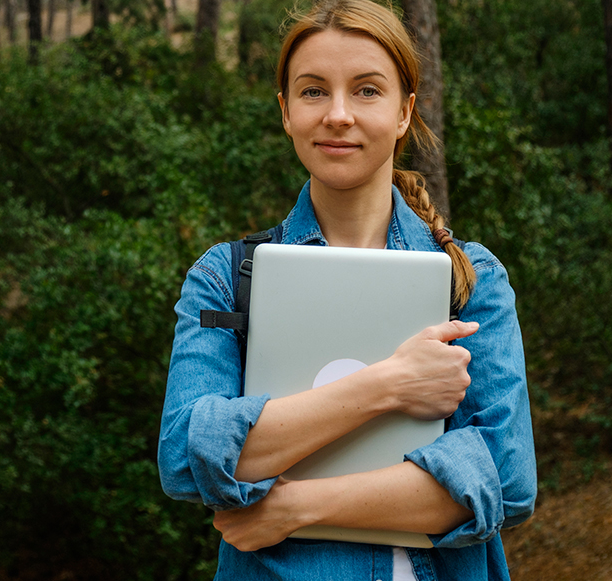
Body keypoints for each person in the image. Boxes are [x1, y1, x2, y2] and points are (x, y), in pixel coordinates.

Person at [156, 0, 537, 579]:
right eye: (312, 91)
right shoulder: (224, 277)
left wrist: (293, 506)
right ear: (285, 111)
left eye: (366, 90)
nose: (337, 114)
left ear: (405, 111)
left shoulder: (471, 280)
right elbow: (187, 459)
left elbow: (505, 482)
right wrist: (389, 384)